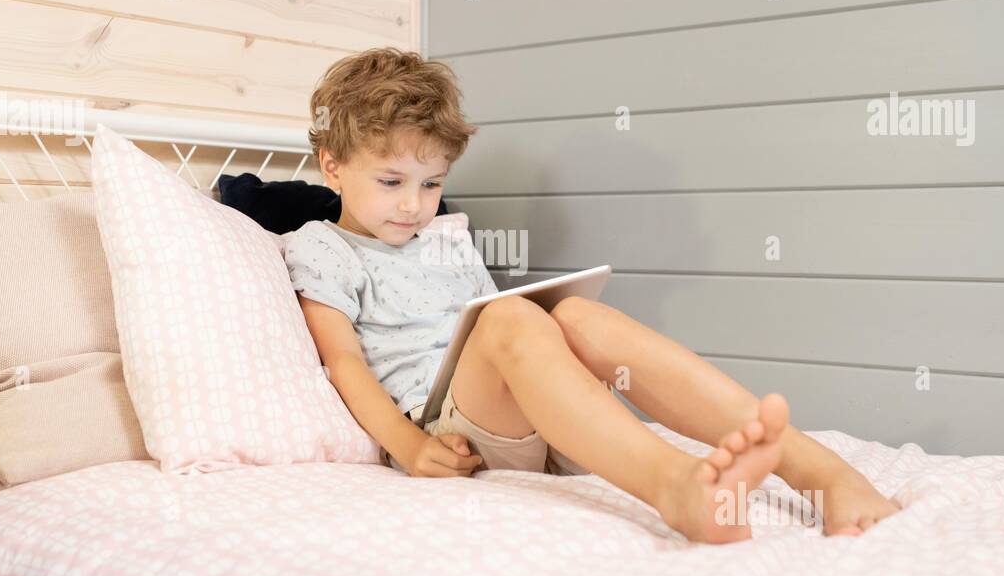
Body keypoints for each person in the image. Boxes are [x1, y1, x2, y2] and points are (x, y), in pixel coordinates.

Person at [283, 47, 899, 544]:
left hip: (528, 422)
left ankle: (823, 473)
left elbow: (489, 335)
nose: (415, 204)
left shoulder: (446, 236)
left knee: (573, 312)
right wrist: (411, 447)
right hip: (446, 428)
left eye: (433, 182)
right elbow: (343, 362)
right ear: (331, 165)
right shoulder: (322, 247)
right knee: (508, 321)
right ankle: (675, 487)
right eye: (391, 182)